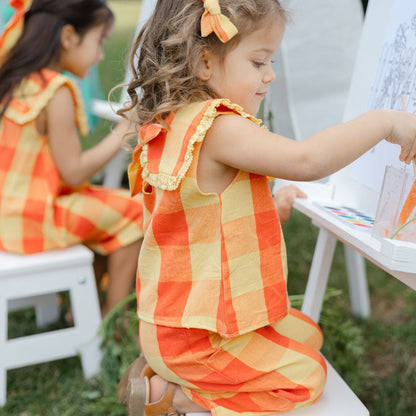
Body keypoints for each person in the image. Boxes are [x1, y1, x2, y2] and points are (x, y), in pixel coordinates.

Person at [117, 0, 416, 415]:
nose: (270, 75)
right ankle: (170, 397)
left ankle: (169, 372)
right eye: (259, 61)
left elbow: (201, 228)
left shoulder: (177, 122)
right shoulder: (218, 126)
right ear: (205, 63)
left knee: (307, 336)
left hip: (182, 325)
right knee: (310, 374)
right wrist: (385, 122)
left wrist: (271, 206)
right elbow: (306, 160)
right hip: (197, 339)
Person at [0, 0, 143, 317]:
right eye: (99, 42)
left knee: (109, 206)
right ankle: (111, 322)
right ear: (68, 37)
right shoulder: (56, 90)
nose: (101, 55)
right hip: (36, 221)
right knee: (138, 211)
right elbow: (74, 172)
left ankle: (83, 309)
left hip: (9, 218)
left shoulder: (17, 78)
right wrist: (126, 129)